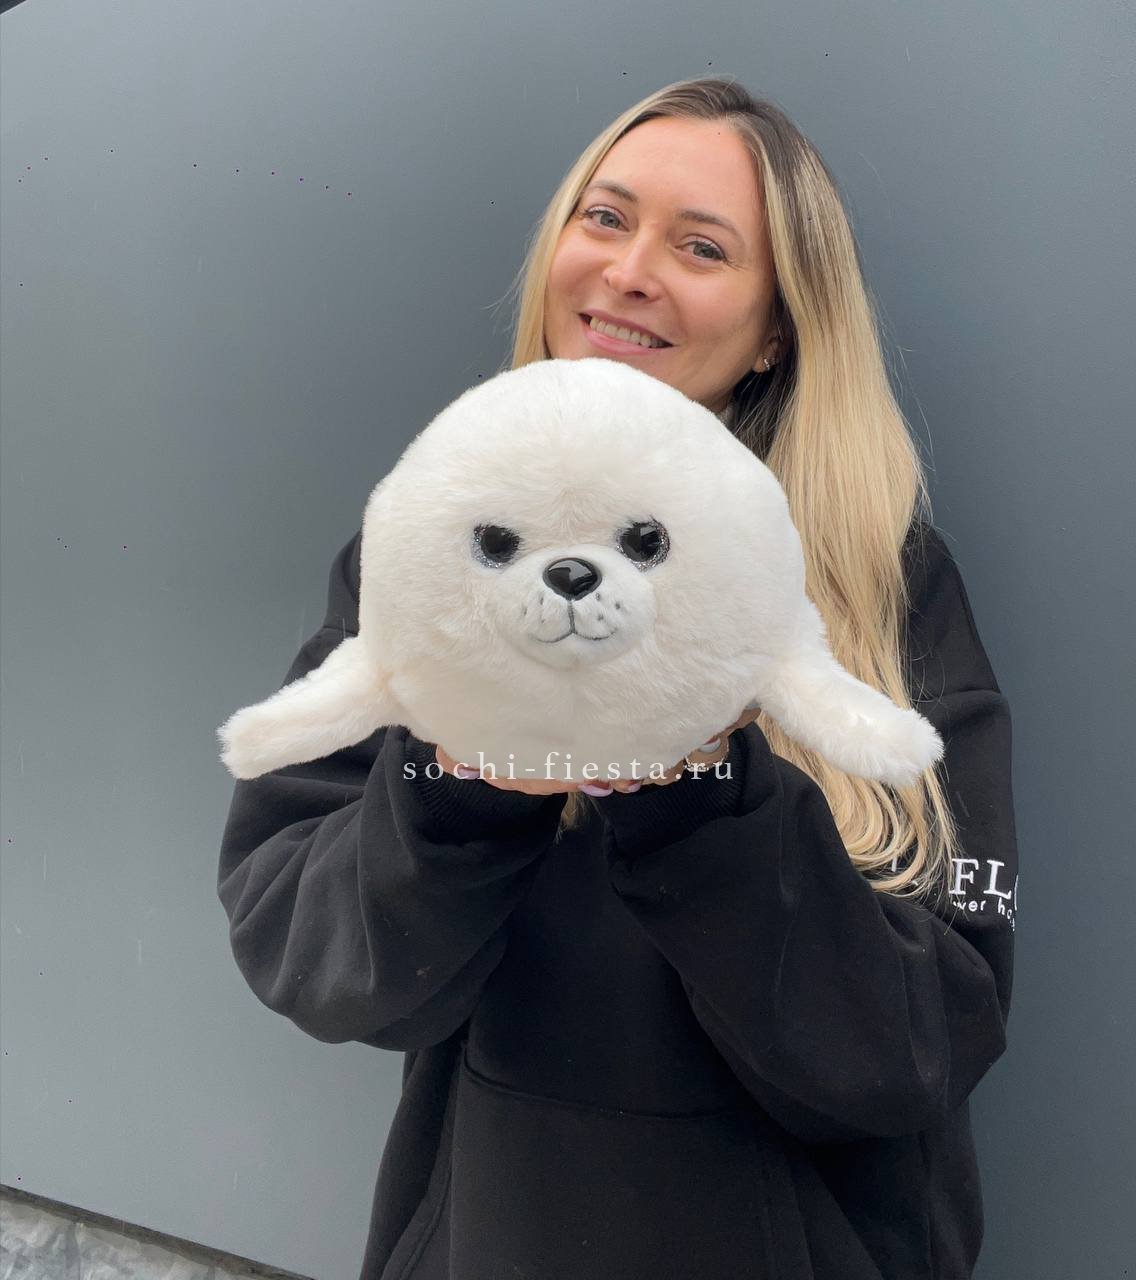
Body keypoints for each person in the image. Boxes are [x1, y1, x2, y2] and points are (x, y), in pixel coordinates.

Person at [217, 77, 1018, 1280]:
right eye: (604, 217)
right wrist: (458, 793)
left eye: (700, 246)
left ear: (777, 327)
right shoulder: (439, 551)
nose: (630, 270)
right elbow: (311, 959)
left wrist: (702, 803)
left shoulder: (880, 580)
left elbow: (924, 1045)